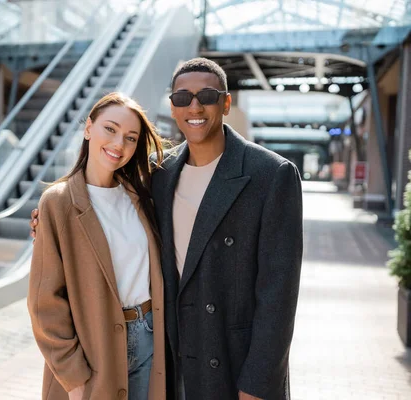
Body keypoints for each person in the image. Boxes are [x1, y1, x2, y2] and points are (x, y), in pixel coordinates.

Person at [32, 57, 303, 400]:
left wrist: (258, 383)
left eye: (207, 96)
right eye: (182, 98)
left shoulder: (271, 174)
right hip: (172, 356)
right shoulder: (159, 173)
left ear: (226, 102)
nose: (195, 107)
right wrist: (47, 219)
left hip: (232, 362)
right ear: (172, 107)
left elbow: (279, 295)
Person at [27, 92, 167, 400]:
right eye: (110, 129)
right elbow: (44, 302)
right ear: (88, 128)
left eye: (131, 138)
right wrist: (73, 378)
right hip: (94, 346)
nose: (119, 144)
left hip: (149, 337)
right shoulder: (58, 202)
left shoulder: (142, 196)